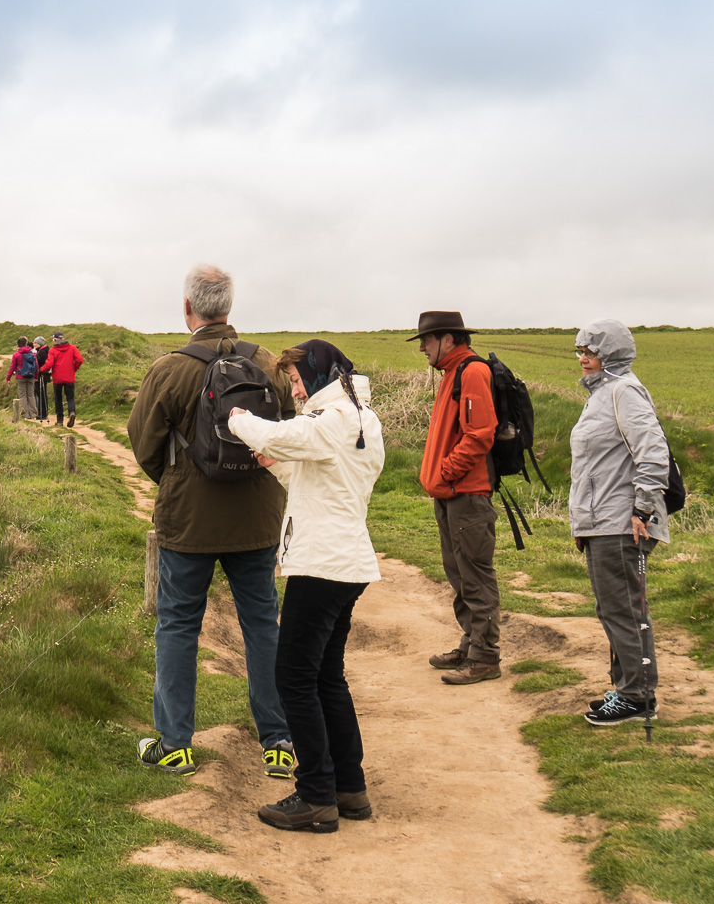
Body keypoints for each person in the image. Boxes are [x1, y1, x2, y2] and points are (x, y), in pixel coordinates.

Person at [128, 264, 296, 779]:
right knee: (263, 626)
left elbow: (144, 444)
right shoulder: (266, 364)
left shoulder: (169, 369)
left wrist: (178, 481)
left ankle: (175, 743)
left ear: (188, 309)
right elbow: (287, 432)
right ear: (229, 306)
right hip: (256, 519)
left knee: (177, 625)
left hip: (189, 521)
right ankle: (280, 742)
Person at [227, 340, 384, 833]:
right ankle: (349, 788)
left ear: (320, 374)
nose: (294, 391)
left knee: (293, 677)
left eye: (296, 380)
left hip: (322, 565)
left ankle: (316, 793)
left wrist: (232, 415)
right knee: (325, 676)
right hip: (346, 562)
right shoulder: (361, 419)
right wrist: (276, 466)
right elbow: (320, 476)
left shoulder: (332, 419)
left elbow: (282, 435)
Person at [570, 320, 671, 726]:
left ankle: (638, 696)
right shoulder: (601, 396)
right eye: (580, 352)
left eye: (590, 353)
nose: (582, 359)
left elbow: (653, 453)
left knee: (625, 610)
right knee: (612, 609)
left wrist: (642, 510)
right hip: (601, 522)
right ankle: (625, 688)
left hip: (622, 523)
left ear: (610, 356)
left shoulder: (623, 392)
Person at [410, 310, 502, 685]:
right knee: (459, 571)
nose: (422, 348)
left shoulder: (472, 372)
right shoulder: (453, 373)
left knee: (475, 575)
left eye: (426, 340)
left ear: (449, 339)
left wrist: (446, 472)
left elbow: (480, 434)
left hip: (466, 493)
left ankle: (485, 657)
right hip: (451, 494)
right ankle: (470, 644)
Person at [44, 330, 85, 428]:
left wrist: (41, 370)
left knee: (58, 399)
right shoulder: (72, 348)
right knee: (70, 398)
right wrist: (74, 369)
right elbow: (80, 360)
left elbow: (49, 364)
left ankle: (59, 420)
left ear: (55, 340)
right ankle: (71, 412)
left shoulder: (53, 350)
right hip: (69, 377)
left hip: (57, 378)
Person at [3, 337, 36, 418]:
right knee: (31, 395)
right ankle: (33, 414)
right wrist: (36, 376)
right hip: (31, 376)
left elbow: (12, 367)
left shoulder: (16, 355)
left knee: (23, 395)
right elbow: (36, 366)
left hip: (20, 376)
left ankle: (25, 414)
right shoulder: (32, 354)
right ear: (26, 343)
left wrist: (8, 378)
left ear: (18, 344)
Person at [31, 338, 50, 421]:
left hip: (42, 376)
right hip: (43, 375)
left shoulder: (42, 352)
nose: (34, 344)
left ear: (40, 344)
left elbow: (38, 362)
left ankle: (42, 414)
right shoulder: (42, 351)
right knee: (41, 394)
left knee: (41, 394)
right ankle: (43, 412)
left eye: (36, 343)